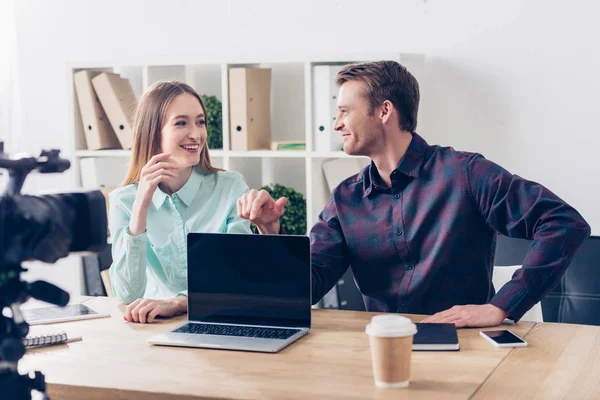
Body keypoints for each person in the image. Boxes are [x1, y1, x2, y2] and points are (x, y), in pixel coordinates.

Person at [237, 60, 591, 328]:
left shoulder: (465, 173)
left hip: (464, 352)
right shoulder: (345, 198)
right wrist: (271, 232)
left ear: (385, 111)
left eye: (345, 111)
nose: (336, 124)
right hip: (382, 352)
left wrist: (502, 305)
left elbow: (563, 222)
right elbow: (306, 289)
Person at [109, 81, 251, 324]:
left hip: (222, 322)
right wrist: (141, 206)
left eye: (200, 122)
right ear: (152, 132)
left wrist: (179, 302)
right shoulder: (123, 201)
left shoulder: (230, 187)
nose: (196, 134)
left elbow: (239, 278)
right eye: (181, 123)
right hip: (153, 330)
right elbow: (127, 294)